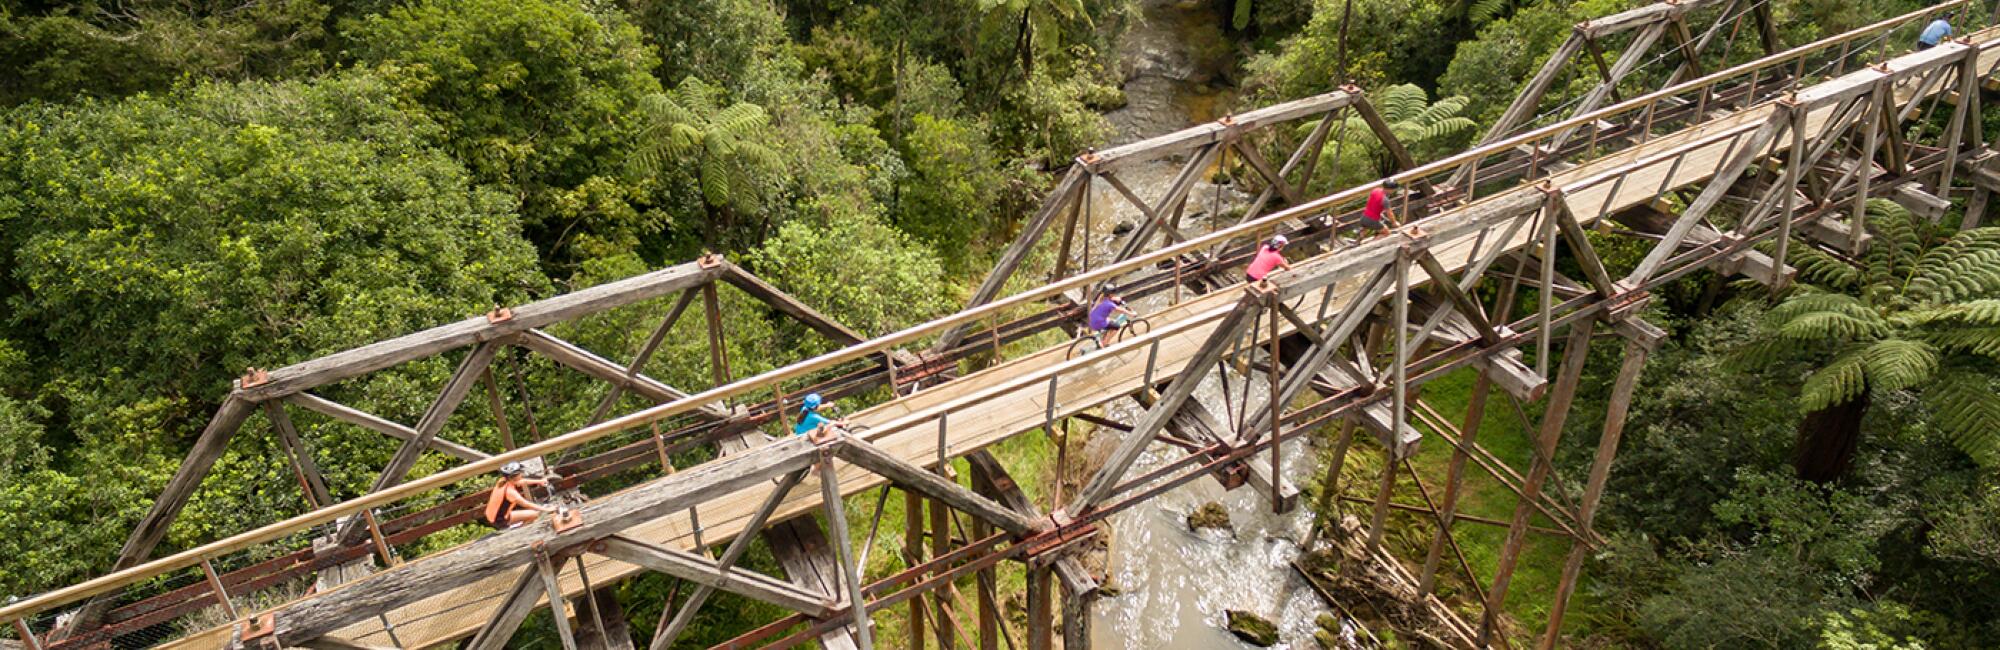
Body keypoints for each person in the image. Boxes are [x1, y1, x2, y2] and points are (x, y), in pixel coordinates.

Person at [481, 462, 558, 530]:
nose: (522, 474)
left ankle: (518, 527)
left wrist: (539, 481)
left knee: (531, 513)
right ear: (515, 476)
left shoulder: (503, 481)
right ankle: (521, 531)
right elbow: (527, 504)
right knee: (534, 514)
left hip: (492, 515)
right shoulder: (510, 492)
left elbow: (522, 481)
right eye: (520, 473)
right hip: (499, 520)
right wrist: (547, 510)